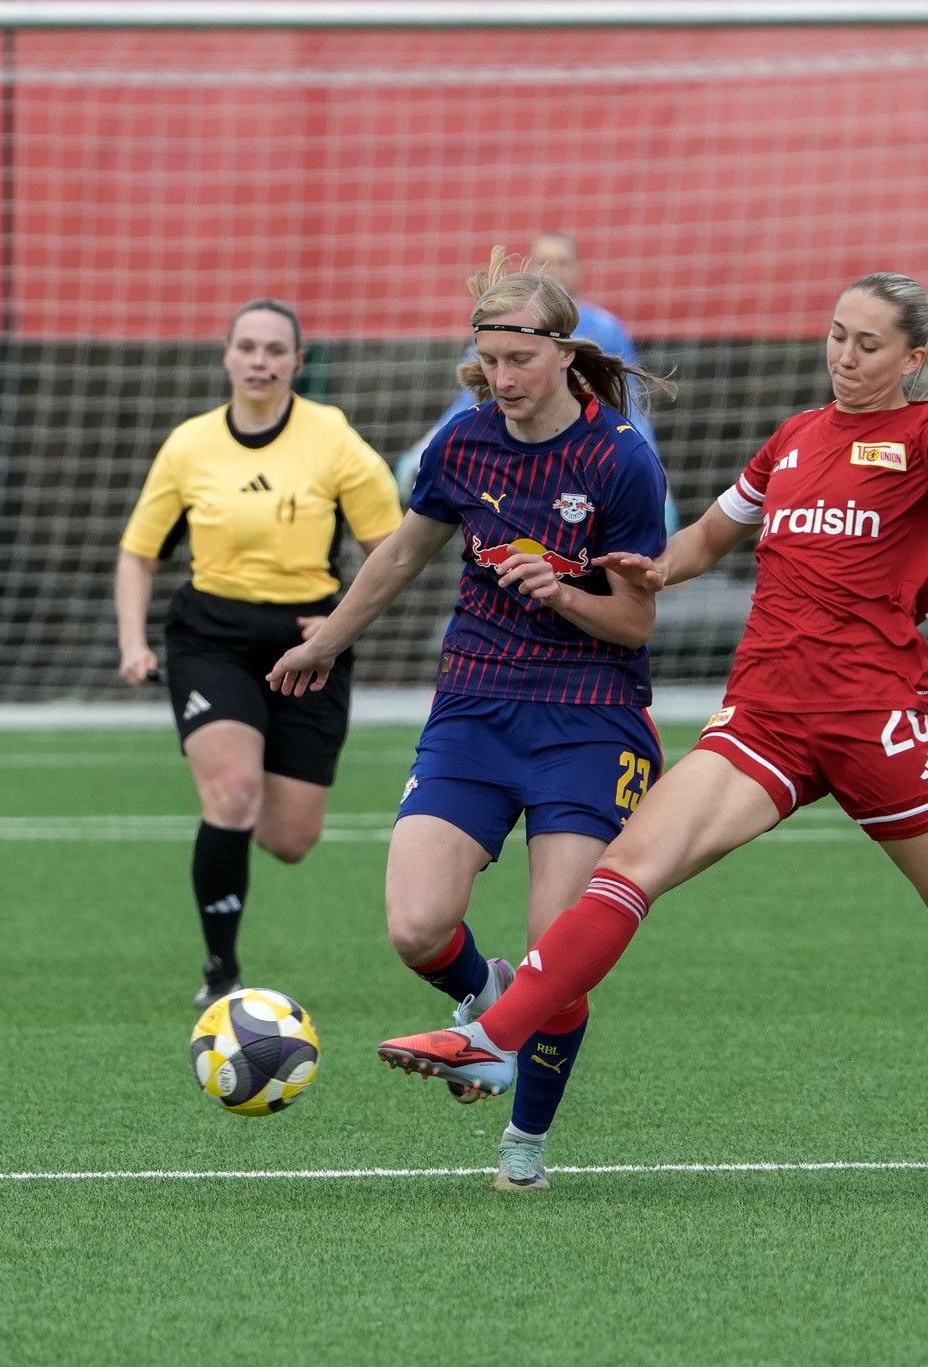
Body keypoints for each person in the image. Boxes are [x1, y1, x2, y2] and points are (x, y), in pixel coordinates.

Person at [335, 270, 928, 1190]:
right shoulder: (795, 440)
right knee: (628, 867)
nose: (843, 355)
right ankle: (494, 1038)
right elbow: (700, 541)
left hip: (878, 718)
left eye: (867, 344)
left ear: (912, 358)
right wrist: (633, 569)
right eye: (837, 334)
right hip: (766, 714)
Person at [266, 247, 672, 1192]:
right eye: (488, 361)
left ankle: (523, 1144)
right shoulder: (464, 442)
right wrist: (328, 640)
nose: (502, 379)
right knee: (417, 923)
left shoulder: (622, 460)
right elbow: (402, 556)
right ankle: (490, 1009)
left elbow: (635, 621)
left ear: (565, 352)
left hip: (589, 717)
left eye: (519, 360)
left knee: (558, 954)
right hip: (476, 705)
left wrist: (561, 589)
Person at [116, 298, 403, 1007]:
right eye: (247, 347)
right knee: (233, 791)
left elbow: (394, 551)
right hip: (210, 638)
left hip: (309, 646)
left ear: (297, 363)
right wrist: (132, 642)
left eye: (275, 350)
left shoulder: (332, 437)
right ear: (227, 356)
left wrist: (339, 624)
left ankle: (248, 832)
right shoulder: (189, 445)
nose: (259, 361)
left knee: (290, 838)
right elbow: (138, 553)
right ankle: (221, 972)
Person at [395, 231, 674, 530]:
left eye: (562, 262)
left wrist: (646, 458)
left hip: (584, 458)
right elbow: (469, 397)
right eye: (544, 262)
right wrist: (431, 442)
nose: (553, 270)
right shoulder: (499, 326)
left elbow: (628, 401)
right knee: (411, 471)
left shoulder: (606, 328)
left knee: (659, 512)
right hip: (512, 454)